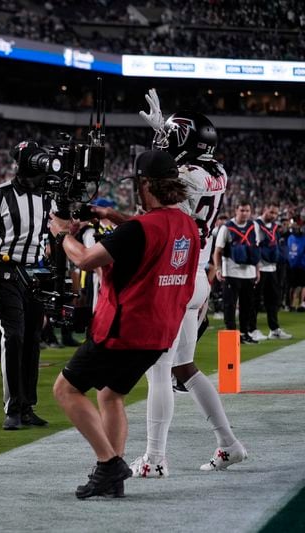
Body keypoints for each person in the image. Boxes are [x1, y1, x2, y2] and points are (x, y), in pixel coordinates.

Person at [50, 149, 199, 499]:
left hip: (123, 329)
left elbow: (86, 260)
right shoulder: (186, 226)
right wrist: (110, 215)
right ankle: (112, 479)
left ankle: (109, 463)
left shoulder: (139, 229)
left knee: (66, 390)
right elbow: (147, 232)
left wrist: (61, 234)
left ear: (145, 185)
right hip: (159, 333)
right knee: (111, 394)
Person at [112, 99, 247, 477]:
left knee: (160, 370)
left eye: (171, 135)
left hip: (176, 277)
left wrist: (159, 145)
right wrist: (163, 138)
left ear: (184, 139)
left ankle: (155, 459)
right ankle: (229, 444)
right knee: (185, 368)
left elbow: (161, 181)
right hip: (196, 277)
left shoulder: (188, 175)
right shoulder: (217, 170)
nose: (164, 141)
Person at [0, 140, 52, 431]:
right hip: (6, 271)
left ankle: (28, 405)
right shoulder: (2, 194)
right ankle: (12, 407)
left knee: (33, 338)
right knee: (14, 336)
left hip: (36, 271)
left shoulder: (47, 196)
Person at [213, 199, 260, 344]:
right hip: (231, 273)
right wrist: (218, 268)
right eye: (242, 210)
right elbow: (218, 251)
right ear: (236, 211)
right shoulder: (226, 227)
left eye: (247, 210)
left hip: (249, 273)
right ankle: (232, 335)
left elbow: (255, 249)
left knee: (247, 305)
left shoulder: (254, 226)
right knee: (230, 305)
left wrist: (257, 270)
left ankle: (245, 333)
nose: (245, 213)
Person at [250, 203, 292, 340]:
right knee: (255, 300)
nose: (273, 216)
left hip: (272, 267)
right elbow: (254, 246)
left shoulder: (274, 226)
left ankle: (274, 329)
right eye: (271, 212)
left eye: (275, 213)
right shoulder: (256, 224)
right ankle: (252, 329)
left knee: (273, 300)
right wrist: (256, 267)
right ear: (264, 209)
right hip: (260, 268)